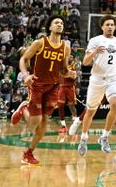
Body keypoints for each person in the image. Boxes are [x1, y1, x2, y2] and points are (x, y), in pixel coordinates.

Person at [13, 15, 75, 165]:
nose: (60, 24)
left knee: (44, 123)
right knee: (35, 120)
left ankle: (28, 153)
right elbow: (23, 59)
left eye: (61, 23)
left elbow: (63, 69)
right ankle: (23, 108)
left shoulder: (66, 48)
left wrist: (70, 73)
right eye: (56, 22)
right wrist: (25, 75)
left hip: (53, 86)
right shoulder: (39, 43)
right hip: (37, 85)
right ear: (50, 27)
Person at [77, 15, 116, 156]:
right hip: (97, 79)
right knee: (90, 111)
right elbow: (85, 62)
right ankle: (83, 138)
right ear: (102, 26)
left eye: (112, 25)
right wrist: (95, 52)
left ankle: (104, 137)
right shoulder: (95, 41)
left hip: (112, 79)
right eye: (107, 24)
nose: (110, 27)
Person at [57, 53, 79, 134]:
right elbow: (61, 74)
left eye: (71, 56)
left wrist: (67, 73)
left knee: (71, 105)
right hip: (62, 87)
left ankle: (75, 121)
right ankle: (63, 126)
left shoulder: (74, 65)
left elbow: (73, 76)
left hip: (70, 87)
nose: (70, 57)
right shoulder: (62, 66)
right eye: (68, 56)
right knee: (60, 105)